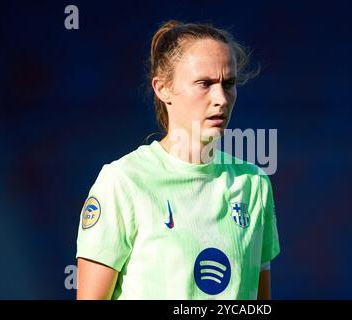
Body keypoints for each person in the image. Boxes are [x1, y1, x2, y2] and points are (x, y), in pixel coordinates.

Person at [76, 20, 280, 300]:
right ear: (163, 89)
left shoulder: (254, 183)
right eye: (204, 84)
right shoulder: (122, 181)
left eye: (229, 83)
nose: (221, 98)